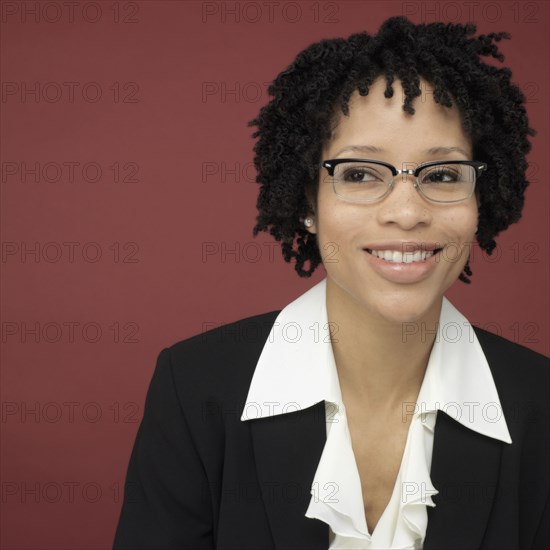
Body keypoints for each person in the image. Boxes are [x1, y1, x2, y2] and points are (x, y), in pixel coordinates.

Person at [113, 16, 549, 550]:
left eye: (442, 175)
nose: (407, 213)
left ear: (482, 200)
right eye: (361, 174)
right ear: (306, 204)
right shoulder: (195, 389)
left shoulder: (540, 406)